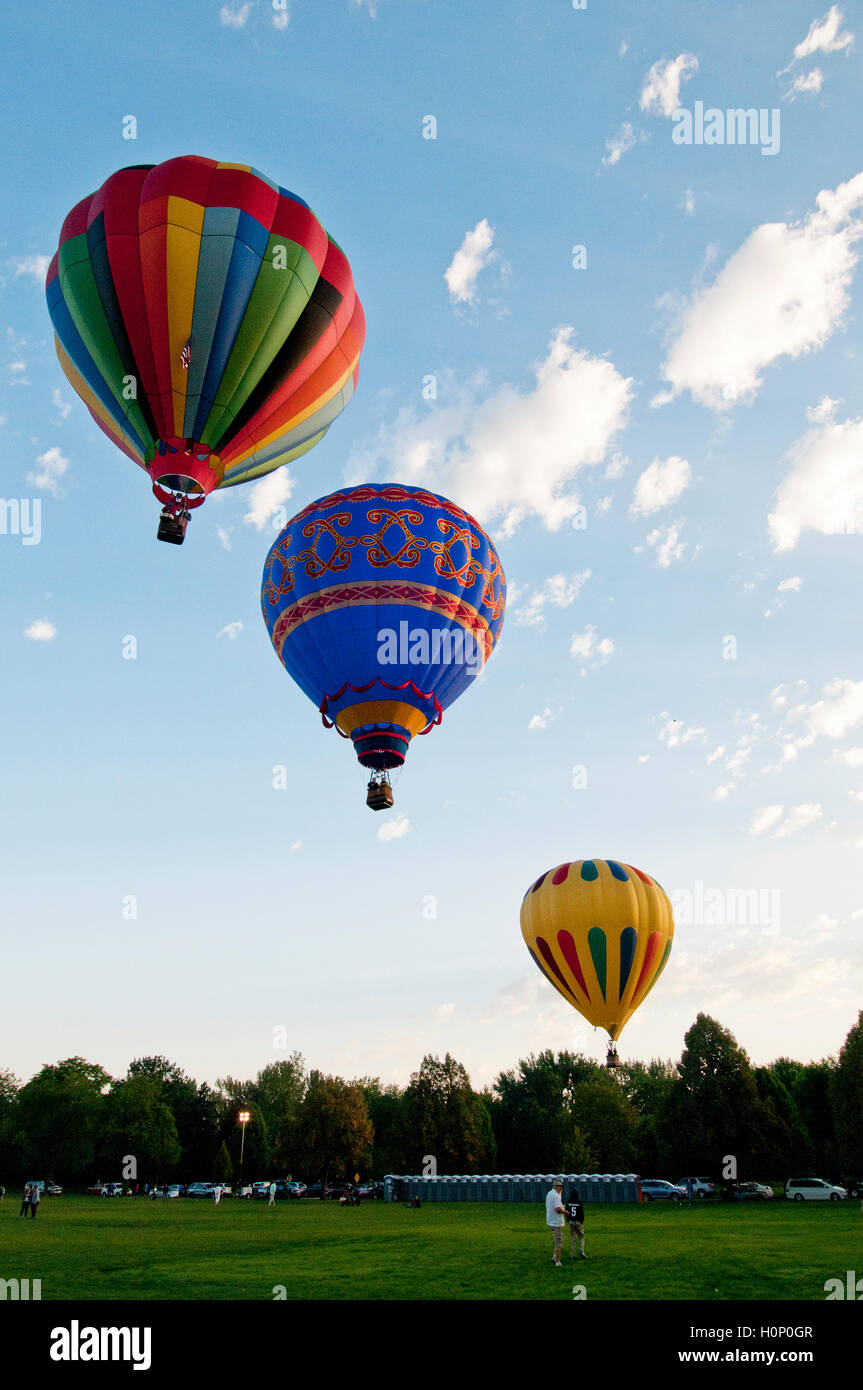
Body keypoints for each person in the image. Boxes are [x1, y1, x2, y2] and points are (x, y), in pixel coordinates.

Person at [545, 1179, 566, 1266]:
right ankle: (557, 1261)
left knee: (558, 1239)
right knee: (559, 1241)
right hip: (555, 1222)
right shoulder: (556, 1196)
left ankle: (554, 1257)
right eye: (560, 1187)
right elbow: (558, 1209)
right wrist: (565, 1212)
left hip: (550, 1220)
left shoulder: (550, 1193)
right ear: (557, 1186)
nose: (561, 1189)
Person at [565, 1189, 586, 1259]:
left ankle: (573, 1255)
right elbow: (582, 1213)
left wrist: (568, 1220)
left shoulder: (568, 1202)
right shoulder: (579, 1202)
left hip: (571, 1221)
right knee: (581, 1236)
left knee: (573, 1238)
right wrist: (581, 1221)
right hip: (578, 1221)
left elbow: (566, 1212)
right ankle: (582, 1250)